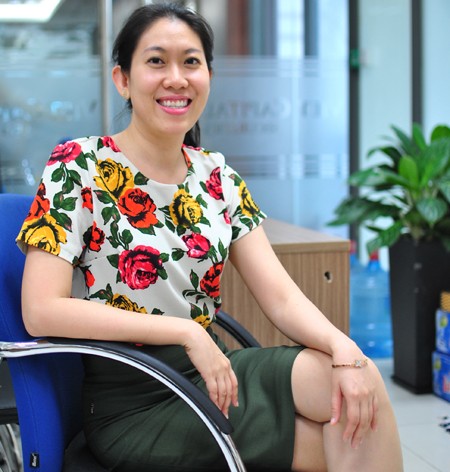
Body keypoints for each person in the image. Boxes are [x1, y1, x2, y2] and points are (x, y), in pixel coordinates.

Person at [16, 3, 403, 471]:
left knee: (357, 387)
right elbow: (41, 310)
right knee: (340, 442)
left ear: (208, 77)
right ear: (123, 79)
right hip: (135, 399)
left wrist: (345, 349)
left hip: (216, 376)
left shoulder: (217, 177)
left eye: (191, 62)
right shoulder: (78, 165)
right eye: (156, 61)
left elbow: (281, 298)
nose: (176, 78)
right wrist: (184, 332)